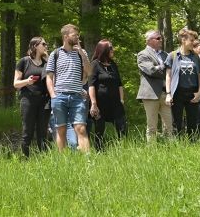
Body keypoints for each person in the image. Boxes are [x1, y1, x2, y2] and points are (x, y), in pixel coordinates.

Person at [46, 23, 93, 153]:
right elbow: (49, 77)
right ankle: (63, 161)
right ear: (65, 36)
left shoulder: (81, 53)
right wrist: (53, 95)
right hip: (59, 96)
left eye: (78, 35)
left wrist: (82, 54)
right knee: (60, 130)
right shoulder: (55, 54)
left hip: (77, 96)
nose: (77, 37)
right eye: (74, 35)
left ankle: (88, 161)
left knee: (81, 128)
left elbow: (89, 72)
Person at [164, 28, 200, 140]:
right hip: (177, 93)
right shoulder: (172, 55)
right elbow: (168, 76)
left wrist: (199, 92)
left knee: (193, 123)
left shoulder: (195, 56)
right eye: (191, 40)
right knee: (177, 123)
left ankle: (192, 145)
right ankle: (178, 146)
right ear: (183, 40)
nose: (193, 43)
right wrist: (168, 93)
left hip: (192, 93)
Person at [15, 37, 51, 156]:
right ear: (35, 46)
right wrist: (27, 81)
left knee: (43, 132)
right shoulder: (24, 62)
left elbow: (52, 81)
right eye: (44, 44)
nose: (46, 46)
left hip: (44, 100)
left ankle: (44, 159)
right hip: (28, 99)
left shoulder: (47, 63)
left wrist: (48, 59)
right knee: (28, 131)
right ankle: (25, 159)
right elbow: (16, 83)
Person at [89, 39, 127, 149]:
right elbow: (91, 85)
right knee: (99, 129)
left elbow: (119, 84)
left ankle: (123, 149)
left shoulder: (113, 64)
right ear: (103, 49)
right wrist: (94, 104)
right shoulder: (95, 64)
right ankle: (99, 151)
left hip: (115, 102)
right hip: (100, 103)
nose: (113, 49)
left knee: (122, 126)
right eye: (110, 48)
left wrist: (121, 100)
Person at [136, 29, 172, 141]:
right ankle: (152, 151)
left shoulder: (165, 54)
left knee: (169, 126)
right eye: (158, 38)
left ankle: (171, 150)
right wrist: (164, 67)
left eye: (161, 38)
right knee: (152, 127)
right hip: (150, 94)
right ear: (149, 41)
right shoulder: (143, 54)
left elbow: (171, 72)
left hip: (165, 93)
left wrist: (162, 69)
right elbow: (151, 70)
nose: (161, 40)